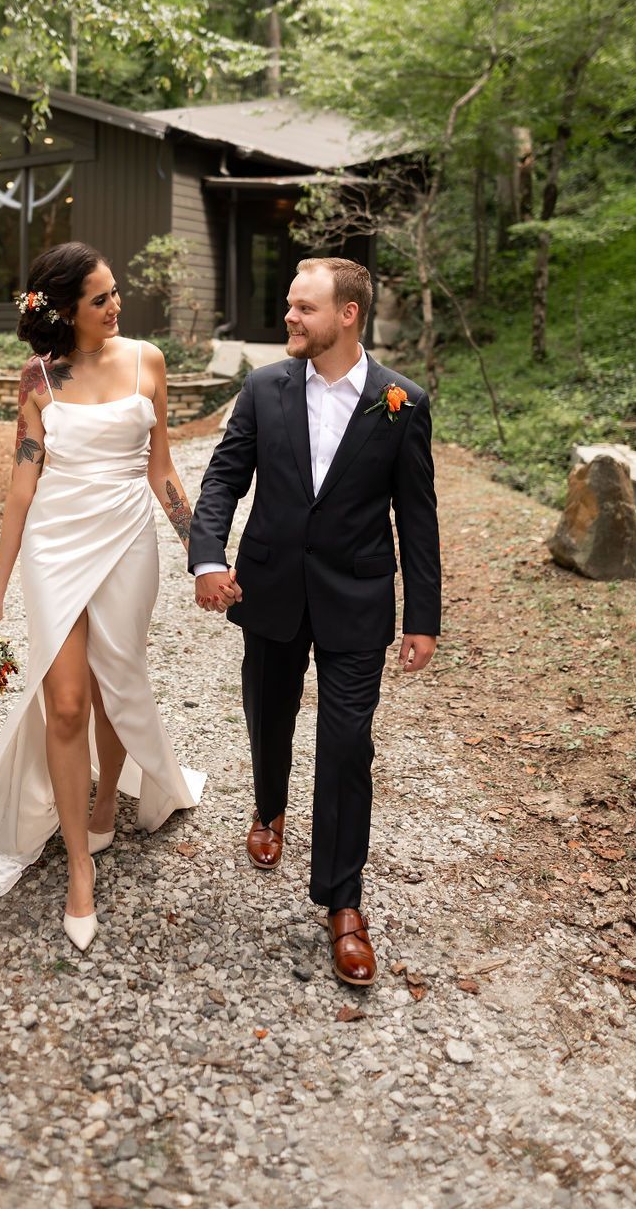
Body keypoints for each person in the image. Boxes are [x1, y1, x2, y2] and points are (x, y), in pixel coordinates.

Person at [0, 242, 204, 949]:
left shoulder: (147, 361)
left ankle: (110, 793)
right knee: (68, 701)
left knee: (117, 683)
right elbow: (23, 484)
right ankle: (79, 865)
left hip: (126, 542)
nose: (117, 306)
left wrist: (203, 552)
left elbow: (162, 469)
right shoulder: (38, 378)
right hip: (54, 546)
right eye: (101, 299)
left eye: (115, 293)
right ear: (66, 310)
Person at [189, 257, 440, 986]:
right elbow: (225, 479)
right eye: (291, 308)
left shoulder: (402, 402)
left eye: (304, 309)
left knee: (347, 745)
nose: (290, 319)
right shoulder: (265, 387)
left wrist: (422, 614)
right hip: (268, 589)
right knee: (268, 714)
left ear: (348, 315)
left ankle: (343, 903)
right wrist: (208, 557)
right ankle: (269, 809)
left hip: (357, 599)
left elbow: (417, 518)